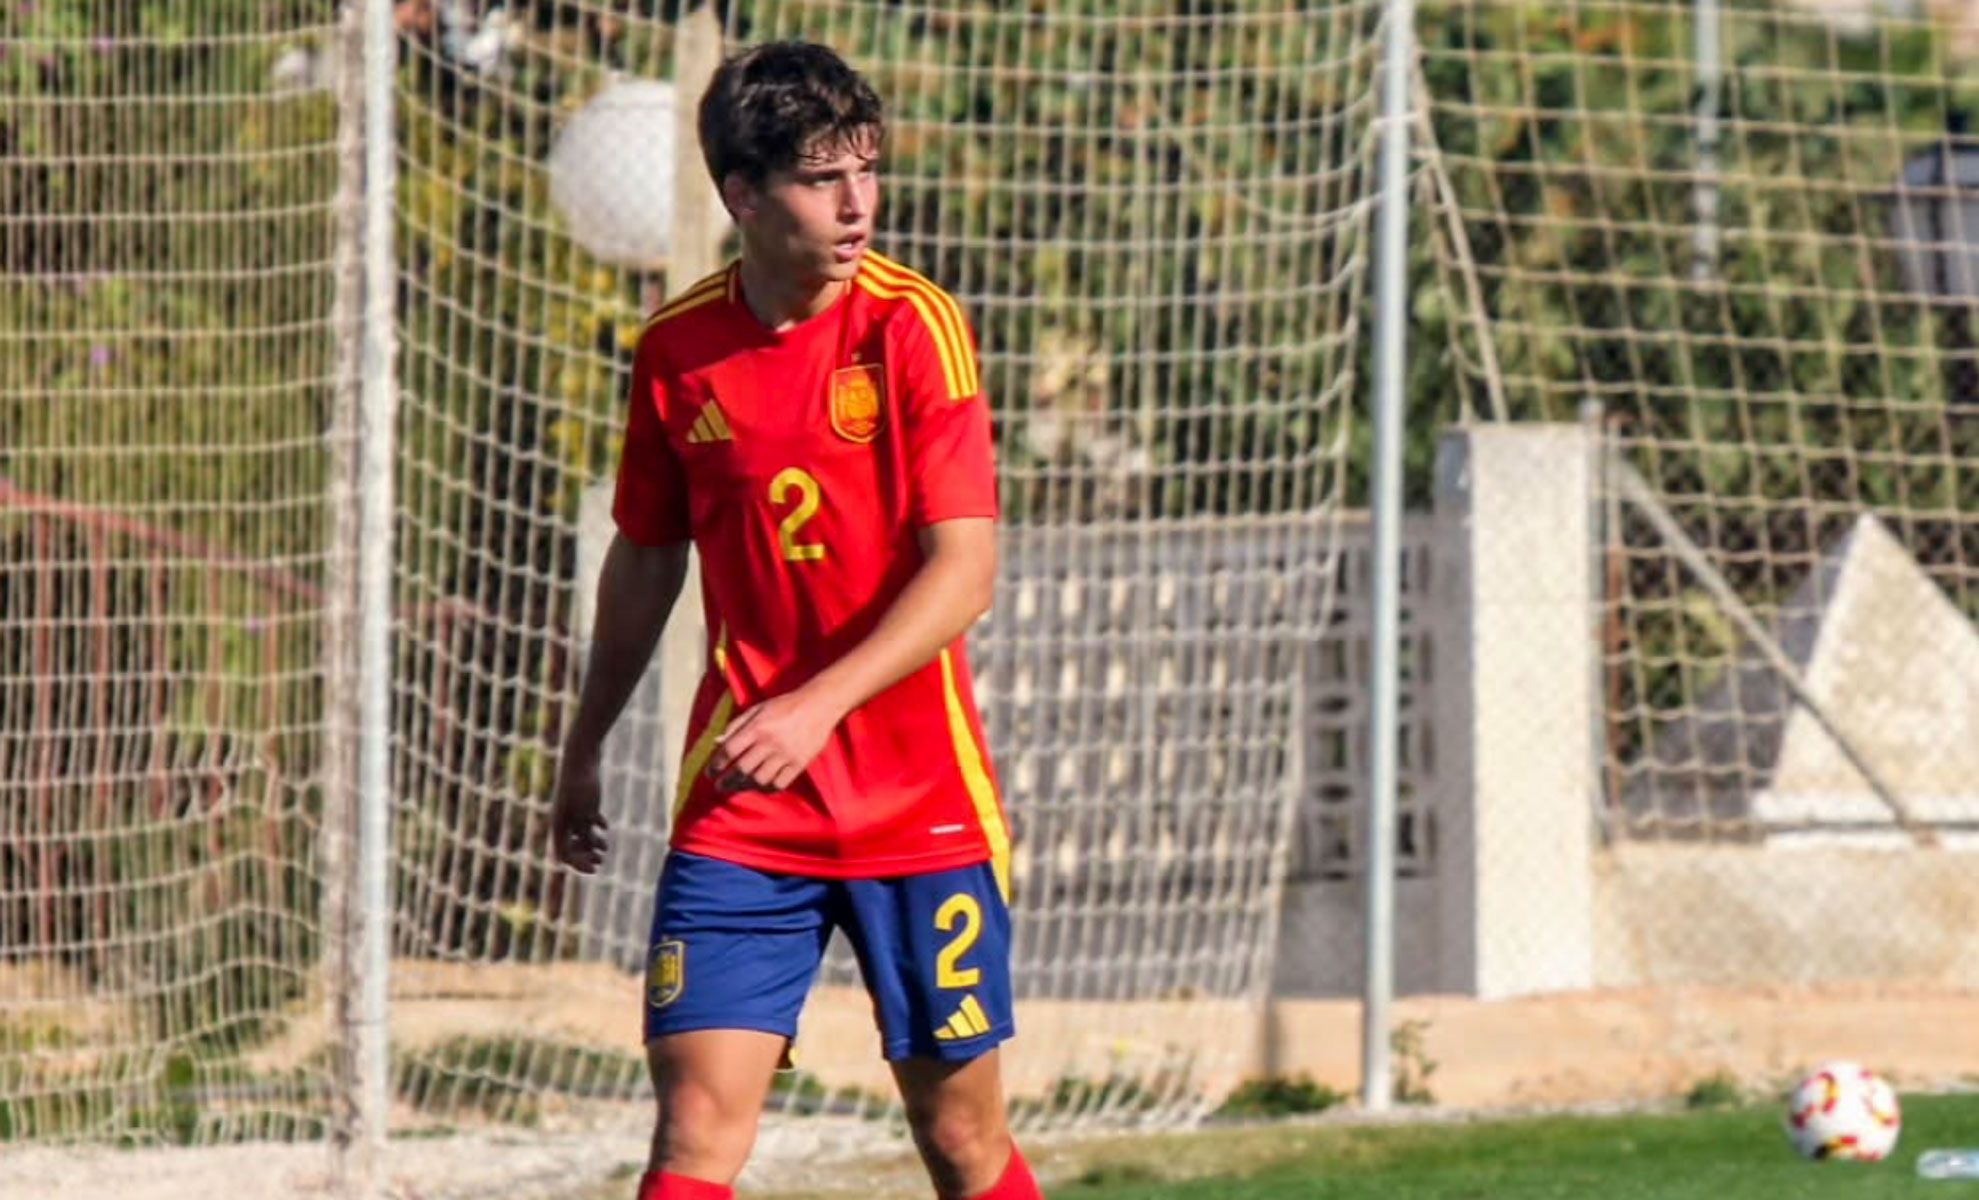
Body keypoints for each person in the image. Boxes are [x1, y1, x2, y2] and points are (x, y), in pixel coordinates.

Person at [550, 40, 1043, 1200]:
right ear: (742, 195)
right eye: (824, 178)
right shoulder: (677, 354)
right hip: (745, 810)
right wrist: (583, 748)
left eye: (866, 168)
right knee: (693, 1135)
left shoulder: (913, 327)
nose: (858, 201)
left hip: (919, 807)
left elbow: (964, 572)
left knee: (962, 1142)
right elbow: (644, 560)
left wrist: (817, 704)